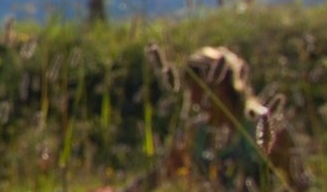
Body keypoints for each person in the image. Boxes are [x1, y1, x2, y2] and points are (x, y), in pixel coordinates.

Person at [121, 46, 312, 191]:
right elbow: (159, 175)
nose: (193, 98)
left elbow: (298, 181)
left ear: (221, 85)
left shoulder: (266, 127)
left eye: (196, 89)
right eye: (190, 90)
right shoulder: (196, 132)